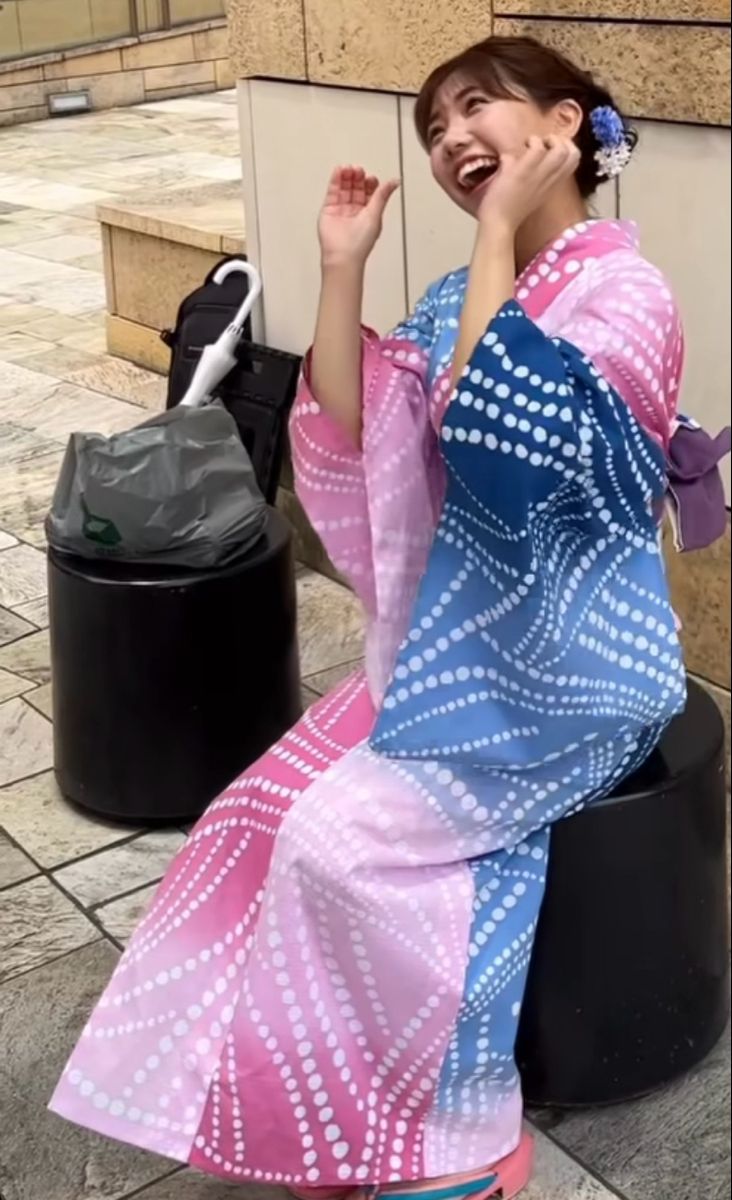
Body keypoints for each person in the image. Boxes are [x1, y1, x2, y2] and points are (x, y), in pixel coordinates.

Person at [50, 35, 729, 1200]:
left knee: (339, 842)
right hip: (467, 653)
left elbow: (499, 456)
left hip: (572, 671)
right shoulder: (464, 291)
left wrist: (493, 233)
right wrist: (341, 266)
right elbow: (355, 432)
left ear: (565, 123)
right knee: (256, 812)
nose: (452, 138)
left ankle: (454, 1130)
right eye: (435, 127)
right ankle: (310, 1103)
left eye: (478, 106)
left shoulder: (628, 293)